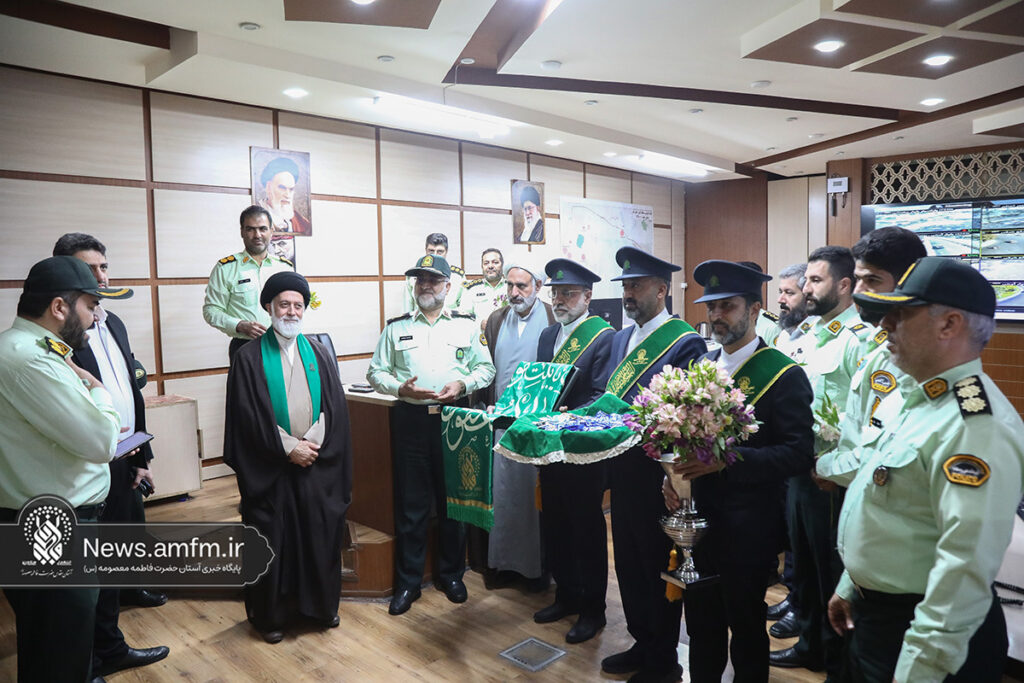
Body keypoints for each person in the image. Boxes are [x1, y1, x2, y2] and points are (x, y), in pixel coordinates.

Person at [828, 257, 1023, 682]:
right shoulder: (913, 399)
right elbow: (889, 512)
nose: (885, 326)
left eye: (901, 315)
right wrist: (851, 584)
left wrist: (921, 668)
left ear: (949, 324)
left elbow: (963, 568)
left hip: (921, 634)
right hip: (875, 616)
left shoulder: (976, 427)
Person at [665, 260, 814, 683]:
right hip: (699, 520)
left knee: (745, 626)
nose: (716, 316)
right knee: (701, 623)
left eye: (727, 306)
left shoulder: (783, 374)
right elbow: (682, 436)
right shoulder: (701, 365)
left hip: (749, 525)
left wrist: (727, 460)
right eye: (711, 307)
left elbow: (798, 454)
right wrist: (670, 479)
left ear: (754, 309)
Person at [0, 255, 129, 682]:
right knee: (58, 654)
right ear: (59, 307)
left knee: (54, 645)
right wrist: (99, 390)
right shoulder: (32, 361)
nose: (94, 317)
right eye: (90, 306)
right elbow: (101, 442)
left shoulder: (23, 348)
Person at [53, 233, 170, 678]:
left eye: (104, 267)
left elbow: (131, 390)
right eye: (91, 269)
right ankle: (102, 651)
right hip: (89, 458)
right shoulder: (60, 333)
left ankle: (124, 603)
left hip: (125, 451)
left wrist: (142, 456)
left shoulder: (114, 320)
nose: (102, 277)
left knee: (124, 536)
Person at [223, 271, 353, 644]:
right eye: (284, 304)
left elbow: (334, 408)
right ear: (269, 307)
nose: (292, 312)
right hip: (271, 469)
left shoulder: (320, 353)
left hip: (315, 462)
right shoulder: (248, 357)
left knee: (318, 537)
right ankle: (272, 617)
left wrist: (311, 443)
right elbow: (247, 417)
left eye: (298, 305)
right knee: (274, 543)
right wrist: (286, 447)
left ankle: (320, 608)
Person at [598, 246, 707, 683]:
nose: (628, 294)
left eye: (637, 286)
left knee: (659, 567)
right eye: (625, 286)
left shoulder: (684, 341)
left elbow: (688, 416)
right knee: (627, 565)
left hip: (659, 477)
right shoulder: (619, 339)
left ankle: (663, 659)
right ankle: (642, 642)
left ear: (662, 290)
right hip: (622, 473)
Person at [367, 254, 495, 616]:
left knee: (453, 502)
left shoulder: (466, 326)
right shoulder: (396, 328)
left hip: (456, 419)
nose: (425, 286)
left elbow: (486, 369)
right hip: (411, 421)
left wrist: (462, 384)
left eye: (433, 280)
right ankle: (408, 583)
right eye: (420, 280)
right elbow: (376, 372)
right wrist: (400, 388)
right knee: (412, 506)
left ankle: (451, 575)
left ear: (448, 287)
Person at [770, 246, 870, 679]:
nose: (806, 288)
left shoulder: (859, 340)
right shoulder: (808, 332)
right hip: (798, 468)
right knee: (804, 568)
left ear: (844, 286)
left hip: (831, 477)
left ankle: (836, 662)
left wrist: (833, 468)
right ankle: (808, 644)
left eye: (815, 280)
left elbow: (863, 418)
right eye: (806, 280)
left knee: (831, 571)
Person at [533, 258, 614, 644]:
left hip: (582, 452)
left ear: (587, 296)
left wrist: (571, 416)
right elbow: (539, 385)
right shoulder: (548, 335)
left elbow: (603, 394)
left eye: (568, 293)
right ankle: (565, 595)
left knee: (585, 529)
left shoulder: (603, 337)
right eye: (555, 293)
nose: (559, 300)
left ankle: (593, 610)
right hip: (550, 448)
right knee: (556, 524)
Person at [816, 227, 927, 489]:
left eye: (873, 280)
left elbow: (886, 449)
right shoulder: (877, 341)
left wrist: (827, 468)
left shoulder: (909, 354)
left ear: (905, 284)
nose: (859, 291)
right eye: (858, 279)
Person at [474, 262, 555, 589]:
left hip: (537, 427)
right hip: (501, 424)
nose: (514, 292)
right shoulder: (496, 319)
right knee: (504, 494)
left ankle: (536, 572)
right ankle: (503, 566)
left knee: (534, 500)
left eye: (522, 286)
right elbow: (487, 369)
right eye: (510, 285)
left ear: (537, 286)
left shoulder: (552, 318)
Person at [203, 205, 294, 363]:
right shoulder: (226, 268)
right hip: (245, 346)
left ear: (271, 230)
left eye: (263, 229)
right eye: (250, 229)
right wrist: (239, 325)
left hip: (282, 344)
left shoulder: (285, 267)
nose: (257, 235)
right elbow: (211, 310)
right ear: (242, 232)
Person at [403, 233, 465, 313]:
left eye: (440, 252)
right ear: (426, 250)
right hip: (420, 319)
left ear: (446, 252)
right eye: (431, 251)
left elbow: (464, 311)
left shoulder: (458, 277)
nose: (435, 255)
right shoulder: (413, 276)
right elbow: (406, 310)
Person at [258, 156, 311, 234]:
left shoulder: (302, 223)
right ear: (269, 187)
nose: (287, 195)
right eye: (282, 188)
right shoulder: (256, 215)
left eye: (291, 189)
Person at [460, 248, 507, 329]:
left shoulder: (512, 287)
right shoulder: (472, 289)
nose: (490, 266)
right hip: (480, 335)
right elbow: (463, 319)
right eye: (486, 263)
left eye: (495, 262)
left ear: (502, 264)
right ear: (482, 266)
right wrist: (480, 324)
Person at [773, 262, 810, 355]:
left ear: (808, 296)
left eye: (789, 293)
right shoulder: (784, 336)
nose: (780, 300)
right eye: (780, 292)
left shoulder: (820, 334)